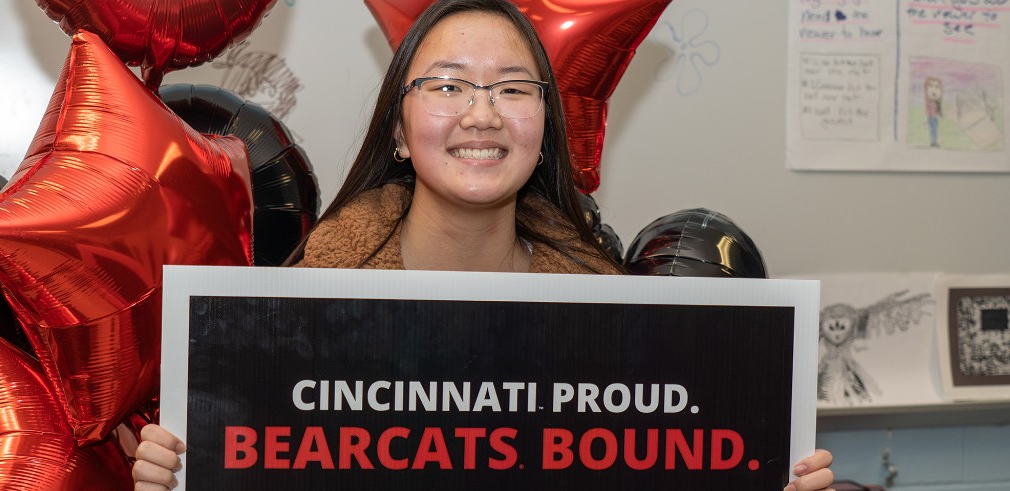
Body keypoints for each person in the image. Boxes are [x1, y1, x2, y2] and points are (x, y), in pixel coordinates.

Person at [134, 1, 834, 490]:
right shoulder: (293, 326)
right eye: (447, 85)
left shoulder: (619, 329)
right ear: (401, 132)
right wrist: (183, 474)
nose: (481, 113)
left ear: (544, 130)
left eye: (511, 89)